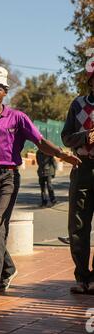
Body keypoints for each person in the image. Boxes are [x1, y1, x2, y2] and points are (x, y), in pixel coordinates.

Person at [0, 66, 81, 302]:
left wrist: (62, 155)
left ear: (5, 92)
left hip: (8, 177)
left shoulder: (17, 118)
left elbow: (40, 141)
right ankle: (8, 269)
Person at [61, 68, 94, 294]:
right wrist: (84, 136)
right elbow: (65, 137)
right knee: (78, 225)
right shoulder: (78, 104)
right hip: (82, 168)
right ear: (90, 82)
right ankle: (82, 277)